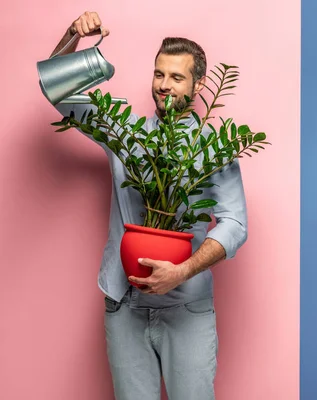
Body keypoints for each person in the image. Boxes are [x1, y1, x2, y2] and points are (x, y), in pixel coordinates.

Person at [45, 11, 248, 400]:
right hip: (124, 303)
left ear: (199, 84)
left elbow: (235, 223)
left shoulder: (213, 148)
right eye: (159, 74)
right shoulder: (126, 133)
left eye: (176, 77)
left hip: (186, 306)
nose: (164, 86)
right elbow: (57, 89)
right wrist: (73, 34)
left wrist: (182, 270)